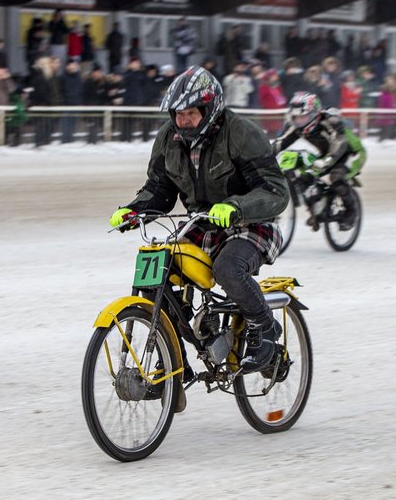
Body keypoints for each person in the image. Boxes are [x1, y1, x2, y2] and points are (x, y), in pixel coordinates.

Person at [108, 66, 289, 373]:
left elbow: (275, 191)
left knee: (228, 268)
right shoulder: (168, 137)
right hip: (202, 226)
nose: (183, 120)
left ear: (210, 109)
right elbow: (159, 190)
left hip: (253, 224)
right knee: (157, 272)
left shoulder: (241, 133)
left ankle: (264, 327)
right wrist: (135, 209)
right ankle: (172, 363)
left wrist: (236, 206)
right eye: (178, 114)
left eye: (190, 113)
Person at [273, 92, 367, 230]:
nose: (298, 121)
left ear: (314, 114)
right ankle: (317, 206)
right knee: (304, 176)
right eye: (295, 117)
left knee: (336, 177)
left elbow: (340, 143)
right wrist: (261, 156)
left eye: (303, 117)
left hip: (351, 153)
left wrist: (325, 163)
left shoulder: (331, 121)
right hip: (327, 154)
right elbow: (279, 143)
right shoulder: (295, 125)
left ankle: (352, 213)